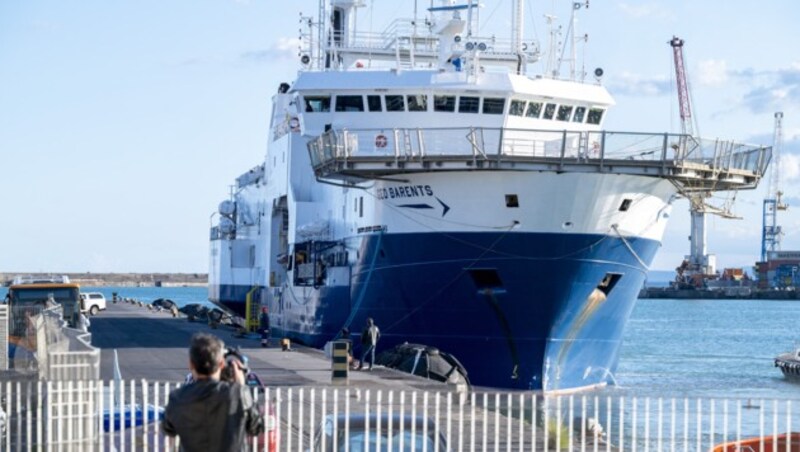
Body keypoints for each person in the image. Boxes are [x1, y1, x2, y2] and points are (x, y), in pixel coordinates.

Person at [162, 332, 263, 452]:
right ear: (221, 363)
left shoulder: (177, 397)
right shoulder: (238, 394)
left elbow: (168, 429)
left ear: (191, 364)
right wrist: (241, 386)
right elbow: (256, 428)